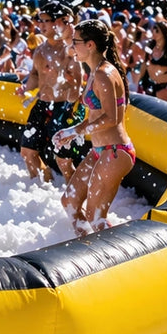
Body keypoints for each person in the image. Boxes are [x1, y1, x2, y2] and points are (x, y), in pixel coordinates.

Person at [53, 19, 136, 235]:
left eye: (76, 42)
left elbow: (113, 118)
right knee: (69, 201)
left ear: (90, 45)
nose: (72, 47)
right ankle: (86, 248)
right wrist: (70, 132)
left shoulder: (103, 74)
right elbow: (95, 115)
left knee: (95, 217)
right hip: (100, 151)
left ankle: (118, 260)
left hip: (115, 152)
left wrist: (75, 131)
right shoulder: (95, 71)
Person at [15, 2, 85, 183]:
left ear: (59, 23)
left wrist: (68, 79)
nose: (41, 25)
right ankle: (40, 183)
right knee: (27, 152)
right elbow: (35, 76)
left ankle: (74, 195)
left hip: (64, 107)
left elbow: (77, 88)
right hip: (43, 104)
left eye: (46, 21)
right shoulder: (41, 49)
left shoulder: (71, 50)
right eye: (40, 21)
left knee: (64, 161)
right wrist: (25, 87)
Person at [135, 16, 167, 102]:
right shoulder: (150, 46)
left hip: (163, 87)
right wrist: (139, 83)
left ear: (164, 32)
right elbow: (144, 64)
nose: (154, 32)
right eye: (153, 29)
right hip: (148, 85)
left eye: (157, 30)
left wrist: (159, 83)